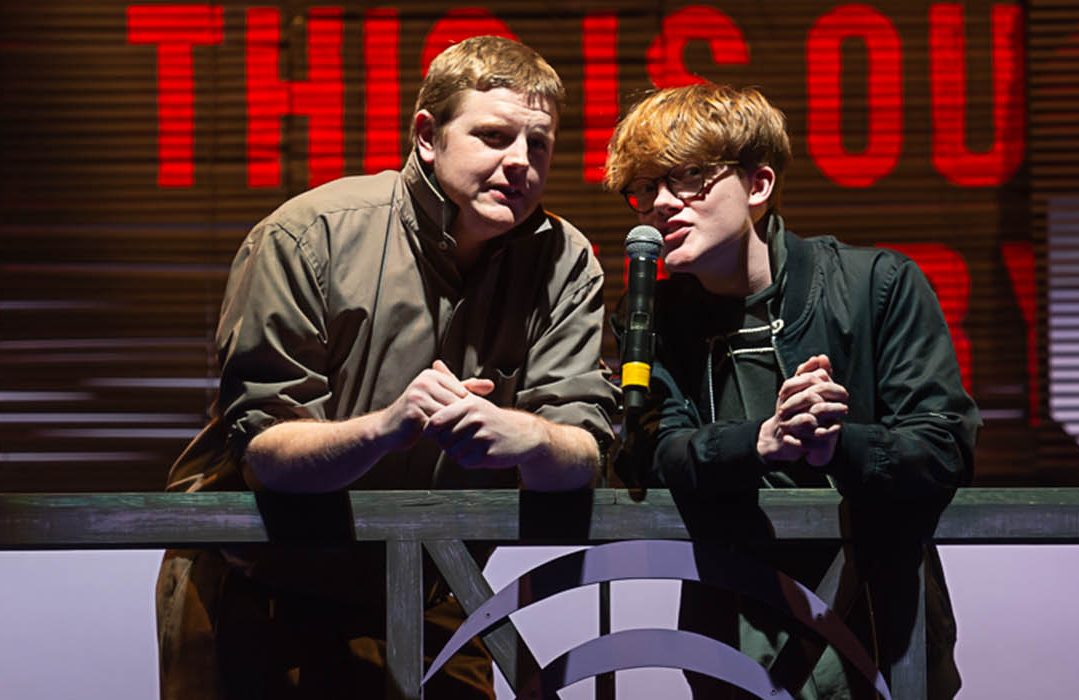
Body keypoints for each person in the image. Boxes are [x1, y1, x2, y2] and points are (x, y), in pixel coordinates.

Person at [156, 36, 619, 699]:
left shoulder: (566, 261)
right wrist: (390, 425)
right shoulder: (307, 236)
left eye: (538, 144)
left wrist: (532, 438)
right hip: (257, 583)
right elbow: (268, 457)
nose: (520, 162)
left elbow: (582, 455)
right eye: (492, 136)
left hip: (430, 581)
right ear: (426, 136)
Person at [604, 84, 980, 699]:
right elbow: (654, 455)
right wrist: (761, 441)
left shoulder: (878, 286)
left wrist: (835, 445)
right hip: (732, 640)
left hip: (880, 635)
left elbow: (944, 449)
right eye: (645, 188)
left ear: (758, 186)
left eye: (689, 177)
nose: (661, 204)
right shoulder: (653, 316)